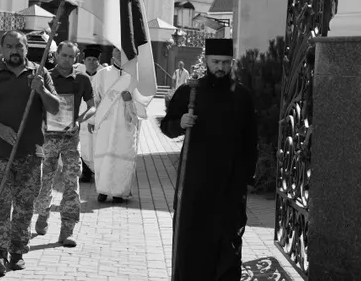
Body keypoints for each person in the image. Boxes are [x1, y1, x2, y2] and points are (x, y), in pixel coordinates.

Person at [160, 38, 257, 281]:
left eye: (226, 62)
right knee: (191, 242)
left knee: (227, 245)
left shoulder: (242, 96)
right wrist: (180, 123)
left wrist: (247, 178)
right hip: (195, 182)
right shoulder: (189, 92)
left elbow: (250, 141)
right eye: (216, 62)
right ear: (206, 62)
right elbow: (167, 126)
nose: (221, 68)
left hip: (229, 185)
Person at [0, 30, 60, 275]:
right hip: (0, 152)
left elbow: (56, 109)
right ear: (2, 49)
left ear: (26, 48)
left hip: (32, 153)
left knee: (24, 205)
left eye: (19, 46)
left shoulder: (40, 73)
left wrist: (42, 90)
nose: (14, 51)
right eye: (9, 46)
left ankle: (18, 252)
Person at [34, 41, 95, 247]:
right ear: (56, 55)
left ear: (76, 58)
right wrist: (40, 123)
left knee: (71, 183)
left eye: (71, 56)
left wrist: (80, 120)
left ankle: (67, 229)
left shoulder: (82, 79)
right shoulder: (45, 77)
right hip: (48, 137)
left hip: (70, 138)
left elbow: (93, 107)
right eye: (64, 55)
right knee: (45, 181)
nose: (67, 59)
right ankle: (43, 213)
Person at [92, 47, 149, 203]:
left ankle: (119, 192)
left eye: (122, 51)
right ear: (112, 53)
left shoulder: (135, 76)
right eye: (116, 50)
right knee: (103, 156)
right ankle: (102, 190)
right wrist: (93, 120)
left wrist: (129, 101)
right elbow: (94, 99)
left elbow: (142, 104)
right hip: (106, 123)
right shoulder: (102, 74)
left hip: (126, 123)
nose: (119, 54)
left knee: (122, 157)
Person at [75, 45, 103, 183]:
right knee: (83, 144)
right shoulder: (78, 75)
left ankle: (98, 171)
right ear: (84, 61)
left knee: (97, 145)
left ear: (98, 61)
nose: (91, 62)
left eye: (94, 60)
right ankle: (85, 172)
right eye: (89, 59)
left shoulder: (104, 75)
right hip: (81, 115)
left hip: (99, 117)